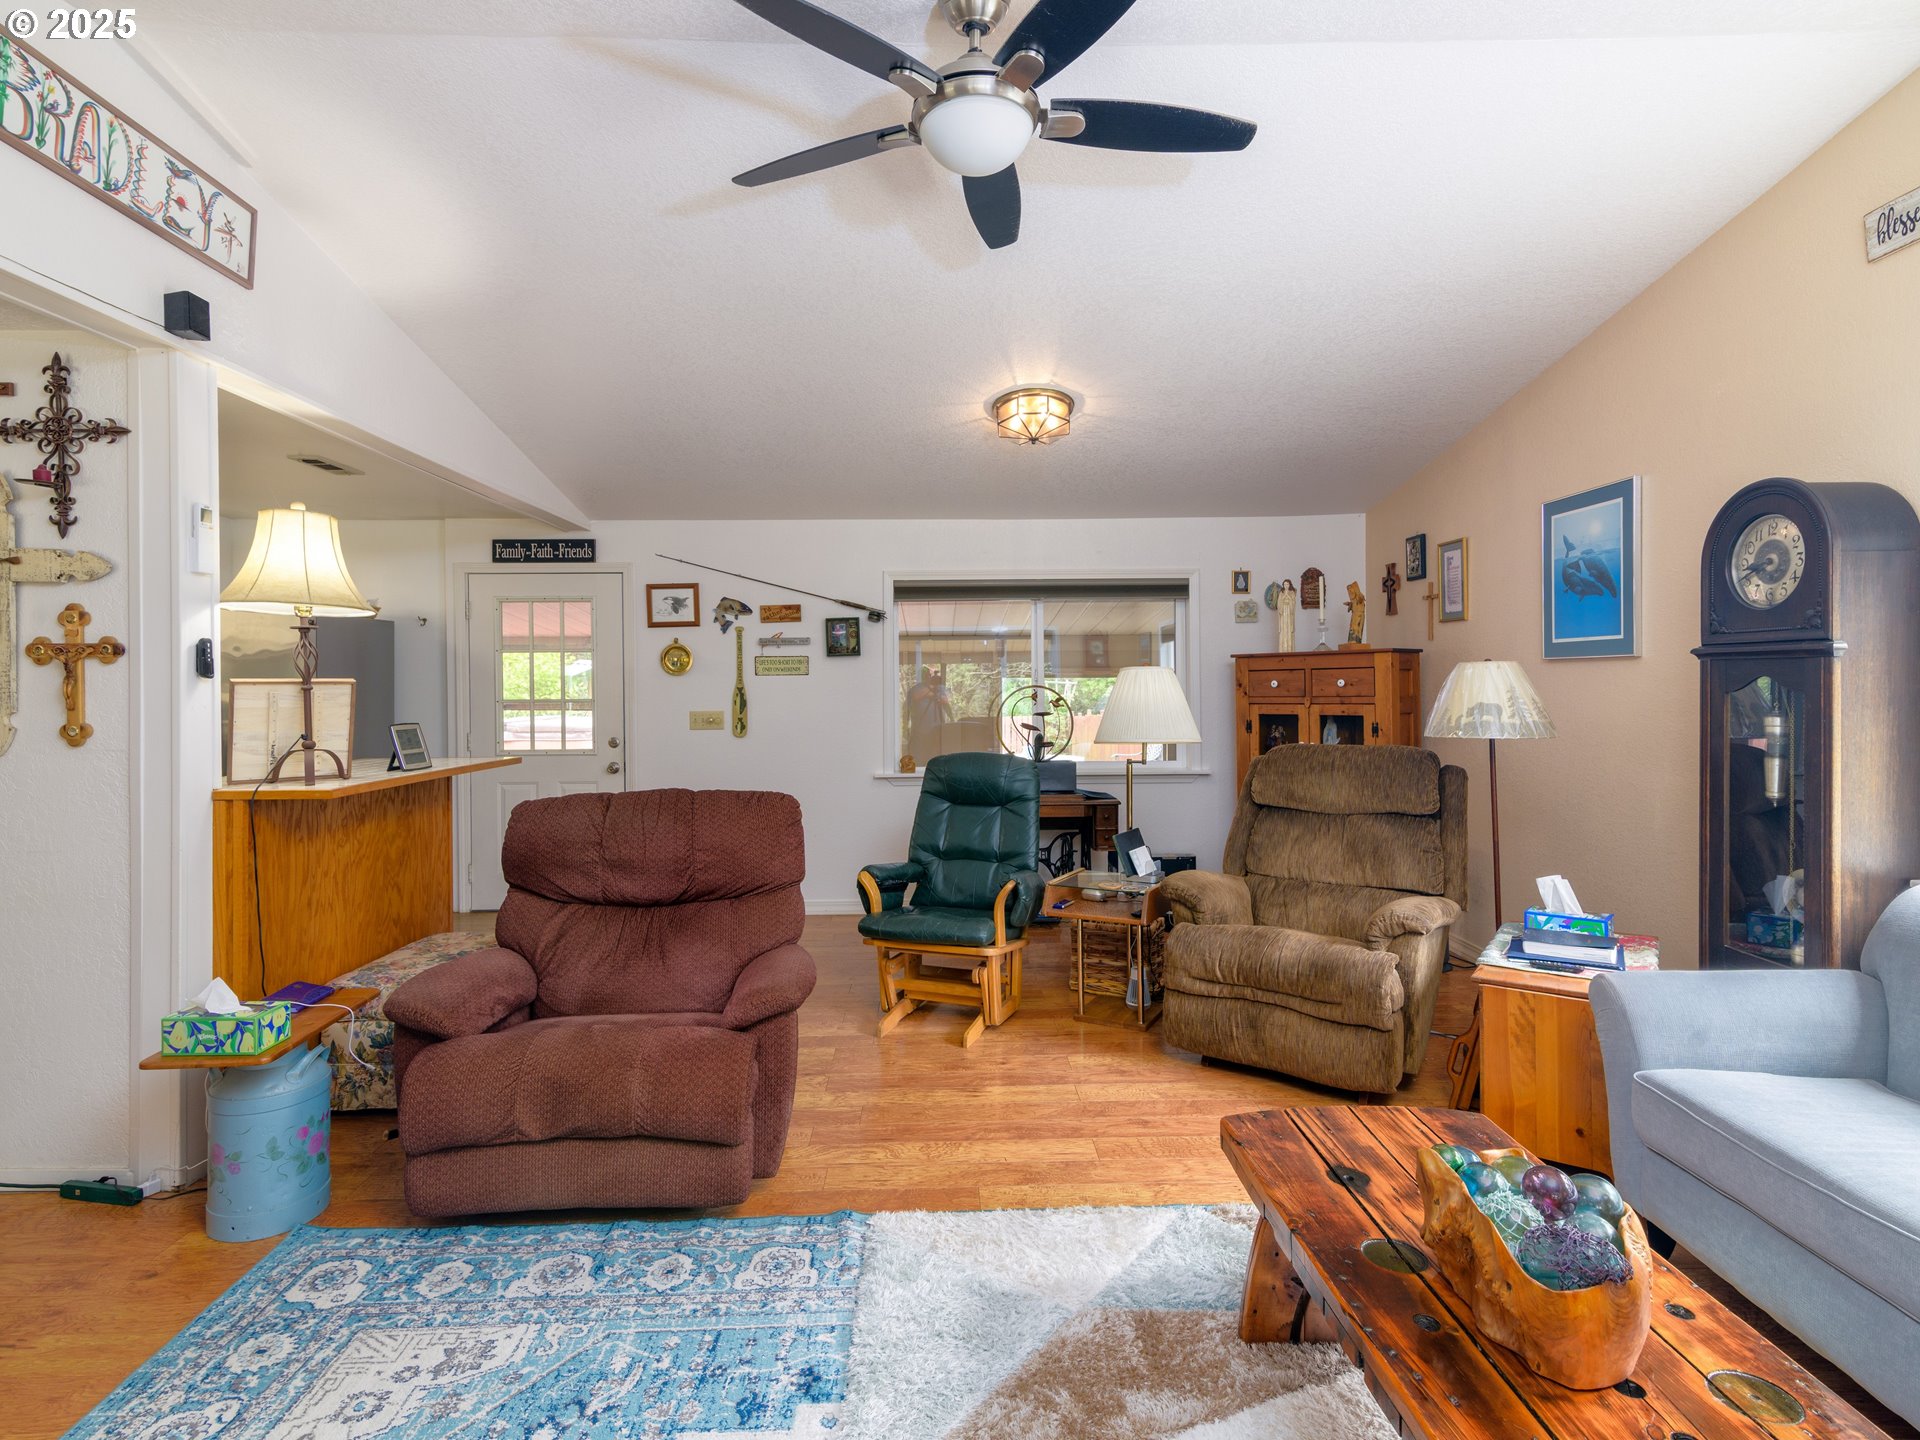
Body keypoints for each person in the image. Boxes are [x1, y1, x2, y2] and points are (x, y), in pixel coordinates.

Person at [906, 666, 952, 762]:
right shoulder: (916, 688)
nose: (931, 677)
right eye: (929, 675)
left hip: (938, 730)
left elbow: (946, 701)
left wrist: (937, 691)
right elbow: (915, 697)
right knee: (920, 757)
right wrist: (930, 689)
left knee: (936, 757)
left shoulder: (941, 688)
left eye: (933, 674)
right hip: (920, 730)